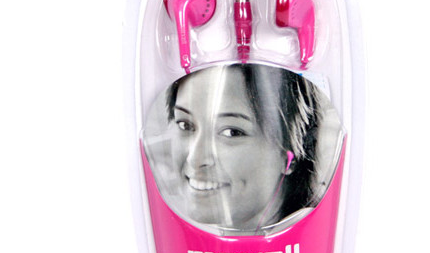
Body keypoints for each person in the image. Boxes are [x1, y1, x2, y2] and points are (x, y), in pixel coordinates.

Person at [143, 64, 343, 235]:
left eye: (231, 132)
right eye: (185, 125)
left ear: (291, 154)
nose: (195, 159)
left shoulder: (319, 237)